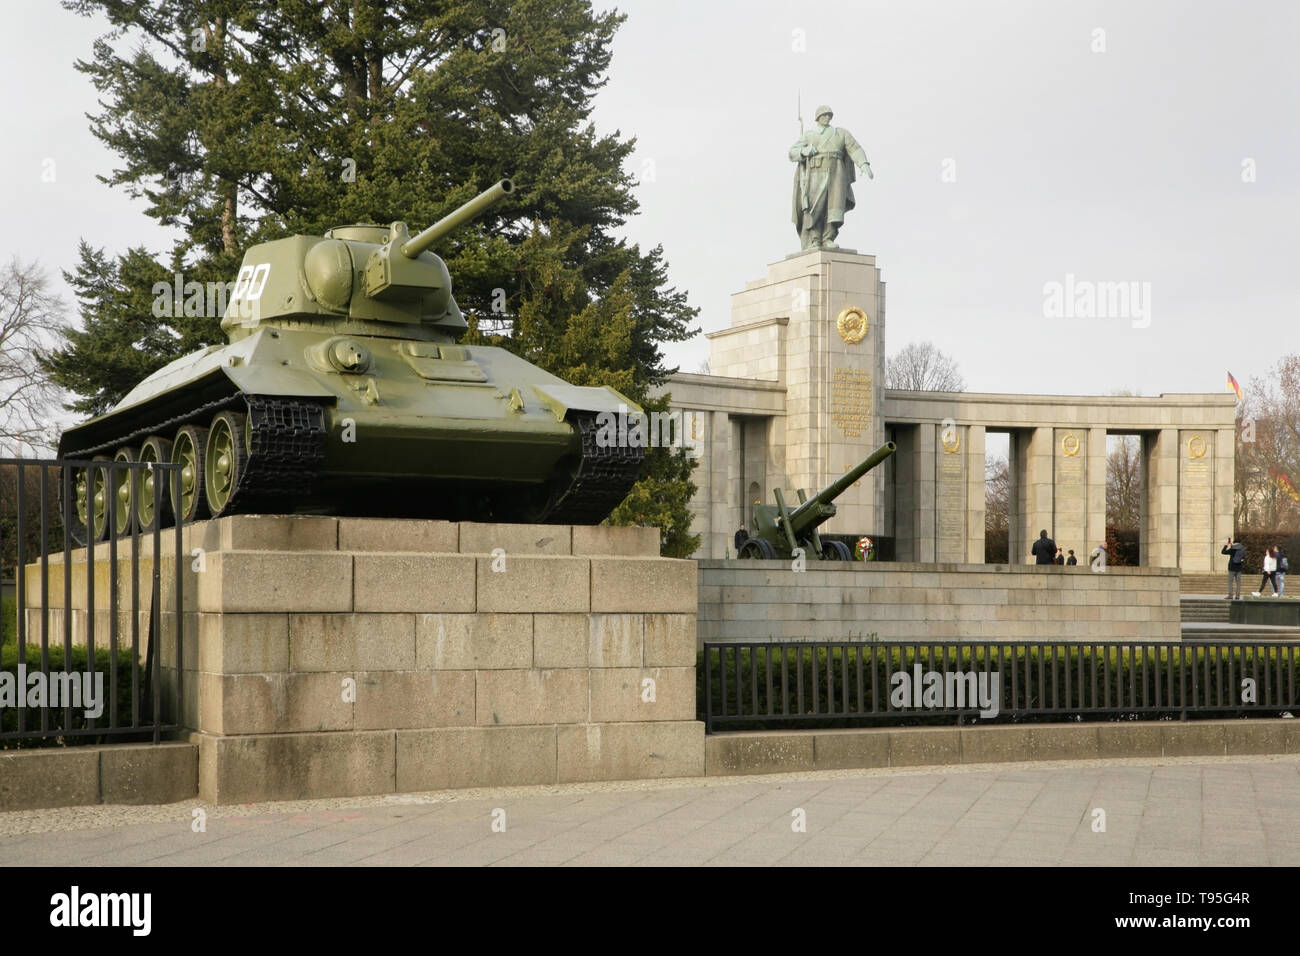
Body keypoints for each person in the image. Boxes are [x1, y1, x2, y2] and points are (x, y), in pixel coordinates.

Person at [789, 105, 874, 251]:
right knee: (815, 207)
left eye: (829, 115)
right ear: (818, 117)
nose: (827, 118)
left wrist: (863, 164)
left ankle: (828, 238)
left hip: (837, 172)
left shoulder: (840, 134)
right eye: (824, 115)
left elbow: (854, 148)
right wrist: (804, 150)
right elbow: (792, 152)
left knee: (835, 206)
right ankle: (815, 239)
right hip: (816, 172)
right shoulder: (809, 135)